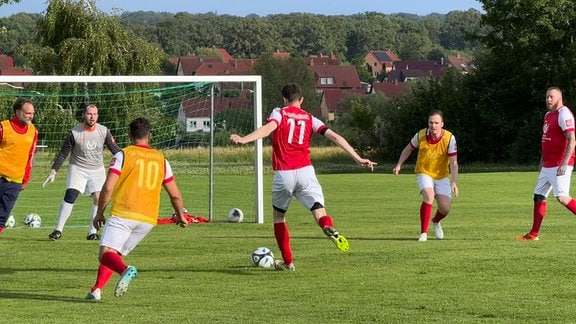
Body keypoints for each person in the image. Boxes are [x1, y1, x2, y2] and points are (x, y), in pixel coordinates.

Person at [230, 83, 377, 271]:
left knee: (279, 218)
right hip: (306, 172)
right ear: (301, 100)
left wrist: (244, 139)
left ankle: (288, 262)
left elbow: (268, 128)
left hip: (284, 173)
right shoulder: (309, 118)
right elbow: (335, 137)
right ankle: (327, 227)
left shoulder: (279, 112)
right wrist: (357, 158)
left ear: (284, 99)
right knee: (319, 211)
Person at [85, 117, 189, 301]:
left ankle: (126, 270)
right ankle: (96, 290)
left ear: (129, 134)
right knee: (114, 253)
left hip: (124, 213)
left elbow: (108, 187)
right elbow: (175, 195)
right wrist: (180, 215)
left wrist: (100, 212)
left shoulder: (122, 155)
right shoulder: (162, 160)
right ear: (150, 136)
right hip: (147, 220)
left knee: (105, 254)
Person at [44, 104, 121, 241]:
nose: (92, 117)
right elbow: (63, 153)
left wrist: (128, 158)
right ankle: (58, 230)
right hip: (78, 168)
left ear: (97, 116)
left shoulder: (104, 131)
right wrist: (54, 171)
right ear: (84, 115)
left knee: (99, 197)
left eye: (95, 114)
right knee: (71, 194)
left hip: (97, 170)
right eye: (89, 114)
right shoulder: (75, 132)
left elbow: (115, 150)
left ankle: (92, 232)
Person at [517, 87, 576, 241]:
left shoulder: (564, 114)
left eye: (551, 97)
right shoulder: (548, 115)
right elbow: (547, 139)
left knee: (562, 197)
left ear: (560, 98)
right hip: (548, 164)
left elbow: (572, 139)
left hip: (560, 163)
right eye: (547, 97)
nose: (548, 100)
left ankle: (533, 233)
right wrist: (542, 162)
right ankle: (533, 234)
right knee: (538, 196)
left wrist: (564, 163)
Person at [392, 110, 459, 242]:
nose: (433, 125)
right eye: (431, 122)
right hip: (424, 172)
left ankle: (436, 221)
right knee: (429, 195)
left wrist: (454, 182)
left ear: (442, 124)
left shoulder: (449, 138)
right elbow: (408, 149)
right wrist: (399, 164)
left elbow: (454, 162)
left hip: (441, 175)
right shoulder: (421, 135)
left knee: (445, 208)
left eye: (436, 123)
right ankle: (424, 233)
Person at [0, 98, 38, 234]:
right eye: (28, 113)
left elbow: (30, 156)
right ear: (17, 112)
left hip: (15, 182)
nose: (31, 116)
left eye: (32, 113)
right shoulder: (3, 127)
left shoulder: (33, 131)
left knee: (2, 217)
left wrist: (25, 179)